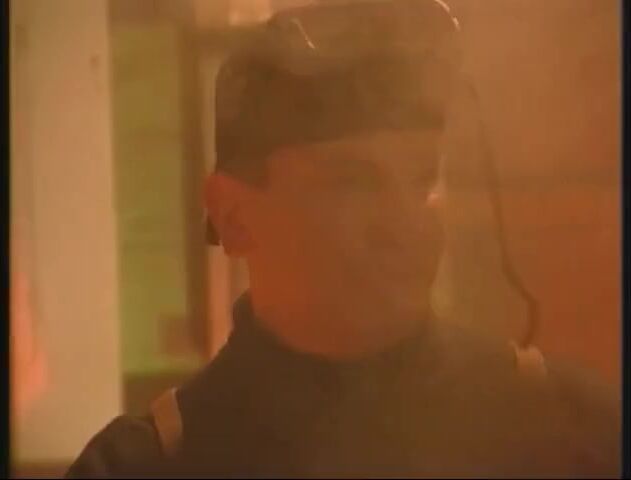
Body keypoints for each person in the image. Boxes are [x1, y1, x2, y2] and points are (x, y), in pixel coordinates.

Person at [66, 0, 620, 477]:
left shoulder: (573, 430)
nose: (406, 224)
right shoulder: (144, 466)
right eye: (353, 182)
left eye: (423, 180)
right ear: (233, 216)